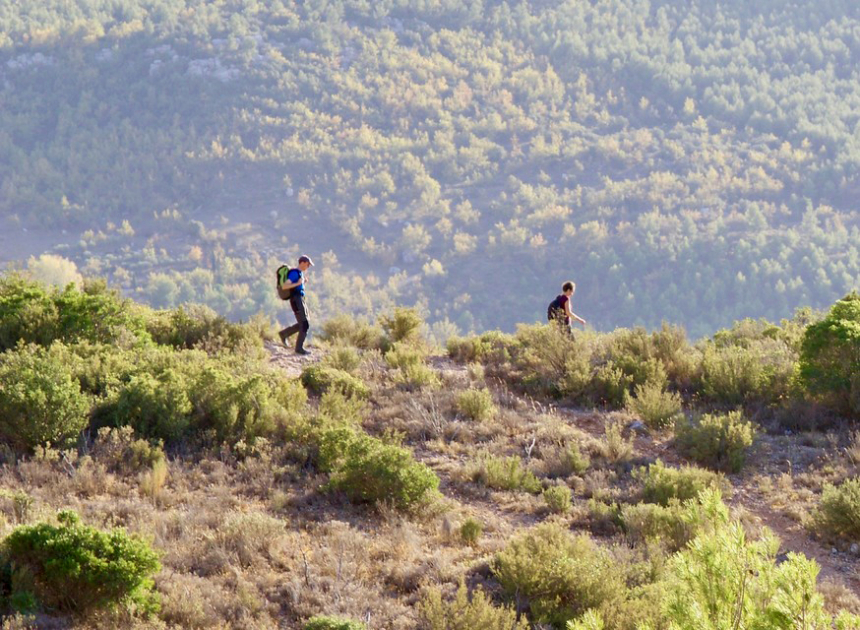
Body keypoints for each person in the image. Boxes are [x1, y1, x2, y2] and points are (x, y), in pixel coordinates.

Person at [278, 255, 313, 355]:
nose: (308, 267)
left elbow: (297, 286)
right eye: (308, 264)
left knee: (303, 323)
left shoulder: (300, 274)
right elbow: (285, 286)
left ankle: (284, 334)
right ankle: (299, 348)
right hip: (296, 300)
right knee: (305, 324)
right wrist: (298, 283)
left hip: (300, 299)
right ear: (302, 262)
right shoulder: (294, 273)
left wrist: (302, 283)